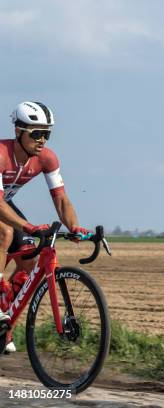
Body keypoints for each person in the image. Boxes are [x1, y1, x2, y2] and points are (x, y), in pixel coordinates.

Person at [0, 101, 90, 353]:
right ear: (18, 132)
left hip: (4, 204)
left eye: (46, 134)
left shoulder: (46, 159)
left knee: (30, 260)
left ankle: (5, 324)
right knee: (5, 232)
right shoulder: (1, 154)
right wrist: (28, 226)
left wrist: (74, 227)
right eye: (36, 133)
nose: (42, 140)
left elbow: (61, 199)